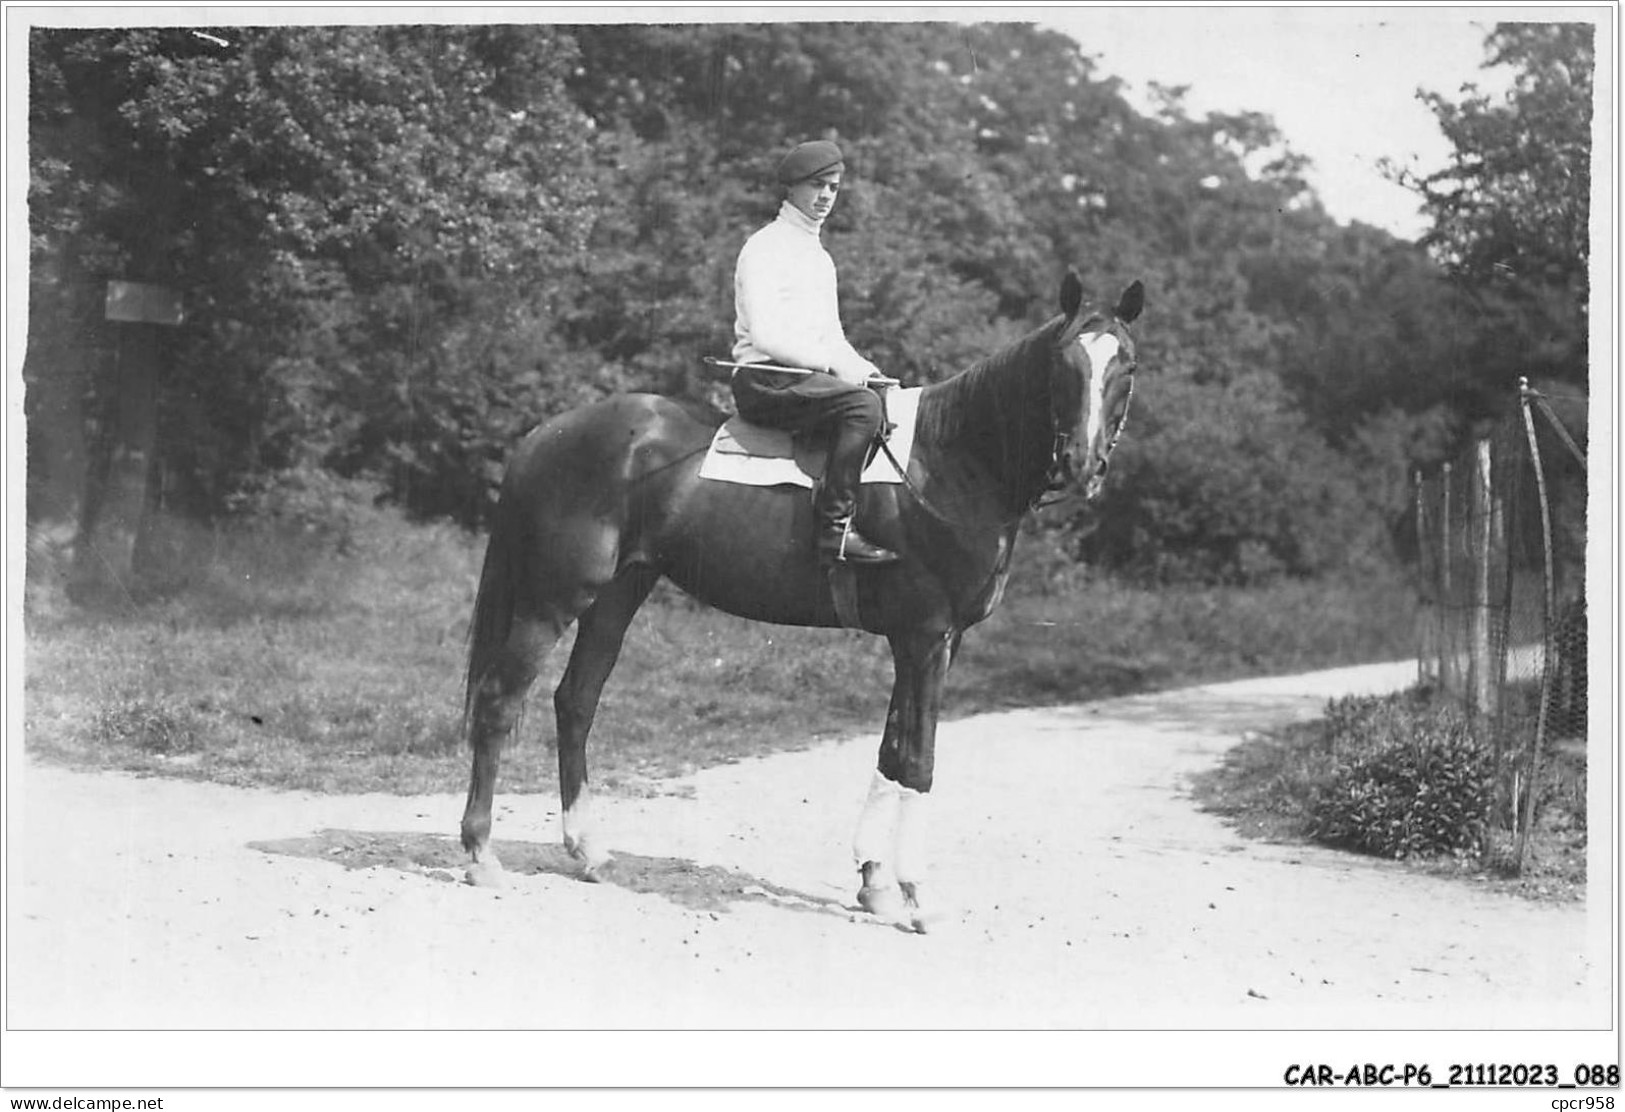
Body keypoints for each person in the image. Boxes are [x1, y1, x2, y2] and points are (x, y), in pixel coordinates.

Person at [730, 138, 899, 566]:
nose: (825, 196)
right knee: (861, 408)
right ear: (792, 188)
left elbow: (834, 338)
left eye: (834, 188)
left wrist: (868, 371)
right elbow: (766, 336)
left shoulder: (820, 258)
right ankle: (834, 531)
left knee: (880, 399)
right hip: (764, 378)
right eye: (817, 185)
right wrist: (830, 367)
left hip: (803, 379)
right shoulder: (765, 246)